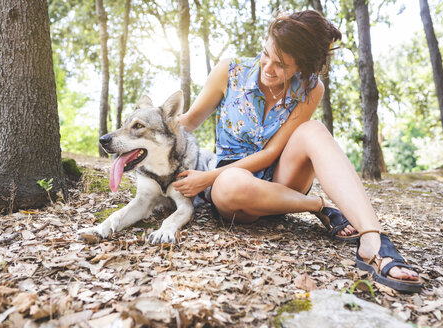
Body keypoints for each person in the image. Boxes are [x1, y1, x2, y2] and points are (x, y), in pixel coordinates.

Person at [172, 10, 422, 293]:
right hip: (238, 190)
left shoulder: (310, 88)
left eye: (281, 65)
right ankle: (319, 206)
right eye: (266, 54)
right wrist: (143, 128)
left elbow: (271, 153)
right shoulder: (230, 71)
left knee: (314, 130)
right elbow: (190, 121)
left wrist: (204, 179)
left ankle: (373, 240)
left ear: (300, 68)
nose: (268, 68)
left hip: (282, 178)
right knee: (229, 184)